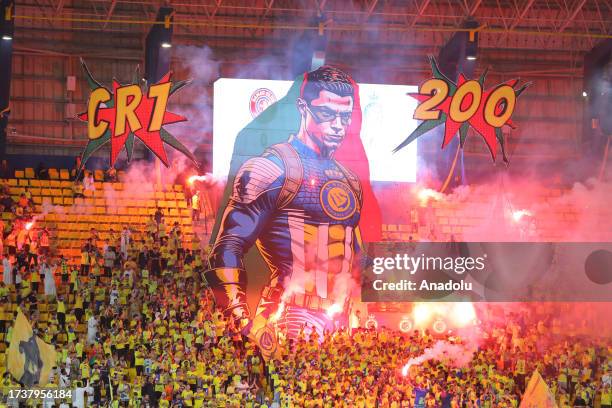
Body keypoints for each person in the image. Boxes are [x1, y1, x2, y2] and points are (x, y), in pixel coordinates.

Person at [206, 66, 364, 358]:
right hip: (288, 318)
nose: (338, 126)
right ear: (303, 109)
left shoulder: (350, 180)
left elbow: (353, 255)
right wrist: (239, 319)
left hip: (340, 322)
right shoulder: (271, 167)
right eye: (327, 114)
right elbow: (227, 247)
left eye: (345, 116)